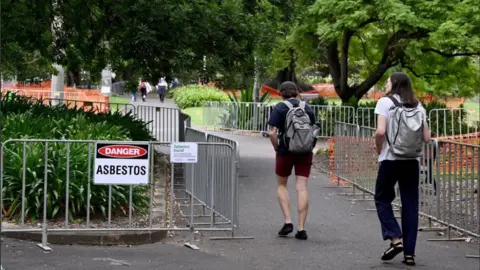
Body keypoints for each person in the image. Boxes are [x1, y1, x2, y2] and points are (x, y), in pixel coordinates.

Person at [373, 72, 431, 266]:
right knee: (410, 204)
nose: (386, 83)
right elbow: (427, 138)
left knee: (382, 198)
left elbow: (381, 131)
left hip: (390, 159)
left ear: (394, 83)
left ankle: (395, 238)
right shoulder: (417, 104)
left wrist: (378, 148)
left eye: (388, 80)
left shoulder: (385, 102)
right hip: (411, 160)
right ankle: (409, 255)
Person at [267, 81, 317, 240]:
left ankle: (288, 221)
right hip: (305, 152)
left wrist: (276, 148)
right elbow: (314, 130)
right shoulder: (306, 108)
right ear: (296, 93)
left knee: (282, 185)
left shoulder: (280, 108)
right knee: (302, 188)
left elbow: (272, 133)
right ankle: (301, 228)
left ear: (280, 93)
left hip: (285, 151)